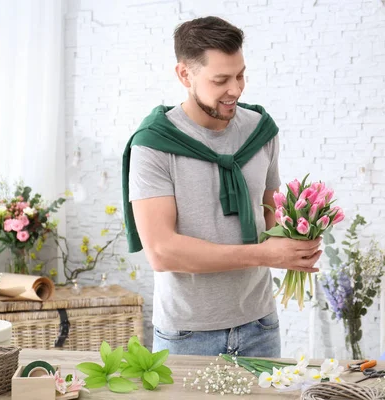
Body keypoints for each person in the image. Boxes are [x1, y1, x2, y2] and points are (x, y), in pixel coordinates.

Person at [122, 16, 321, 357]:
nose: (236, 89)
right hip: (187, 333)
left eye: (241, 74)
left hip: (260, 325)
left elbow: (269, 212)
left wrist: (298, 238)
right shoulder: (154, 143)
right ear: (185, 75)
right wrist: (264, 254)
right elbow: (161, 252)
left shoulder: (261, 131)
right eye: (221, 80)